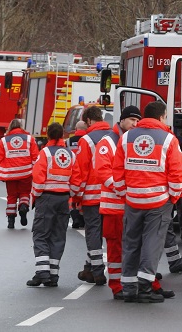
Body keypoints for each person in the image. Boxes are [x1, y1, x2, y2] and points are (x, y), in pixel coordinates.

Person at [97, 105, 174, 300]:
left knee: (137, 246)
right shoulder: (111, 141)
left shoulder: (128, 139)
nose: (135, 123)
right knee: (126, 247)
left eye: (137, 120)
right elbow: (105, 171)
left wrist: (126, 192)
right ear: (121, 120)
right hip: (118, 206)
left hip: (130, 202)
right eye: (131, 119)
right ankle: (120, 287)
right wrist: (122, 191)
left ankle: (140, 286)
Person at [113, 101, 182, 303]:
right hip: (158, 201)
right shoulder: (169, 140)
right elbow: (177, 172)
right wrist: (174, 197)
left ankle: (128, 288)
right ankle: (145, 288)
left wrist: (123, 193)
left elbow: (117, 169)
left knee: (131, 243)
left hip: (133, 199)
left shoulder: (127, 136)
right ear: (162, 117)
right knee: (152, 245)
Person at [26, 122, 75, 287]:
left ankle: (42, 272)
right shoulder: (69, 154)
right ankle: (53, 274)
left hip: (47, 197)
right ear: (62, 135)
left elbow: (38, 178)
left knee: (40, 234)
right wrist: (72, 196)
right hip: (63, 199)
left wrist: (35, 196)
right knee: (58, 235)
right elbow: (76, 179)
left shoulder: (45, 153)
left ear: (48, 135)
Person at [70, 106, 112, 286]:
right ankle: (89, 269)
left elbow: (80, 170)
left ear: (88, 121)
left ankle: (97, 270)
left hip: (92, 195)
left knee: (93, 232)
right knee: (108, 232)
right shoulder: (113, 137)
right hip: (112, 194)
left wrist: (76, 197)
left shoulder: (86, 140)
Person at [0, 119, 39, 229]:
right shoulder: (30, 139)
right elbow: (35, 157)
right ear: (21, 127)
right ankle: (23, 207)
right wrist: (34, 171)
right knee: (25, 193)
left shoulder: (4, 140)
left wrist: (0, 172)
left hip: (10, 174)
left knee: (12, 196)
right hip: (26, 172)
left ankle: (11, 220)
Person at [67, 120, 87, 229]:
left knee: (72, 194)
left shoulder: (68, 141)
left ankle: (74, 214)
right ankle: (81, 216)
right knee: (83, 195)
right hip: (84, 171)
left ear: (76, 129)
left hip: (72, 171)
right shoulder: (88, 140)